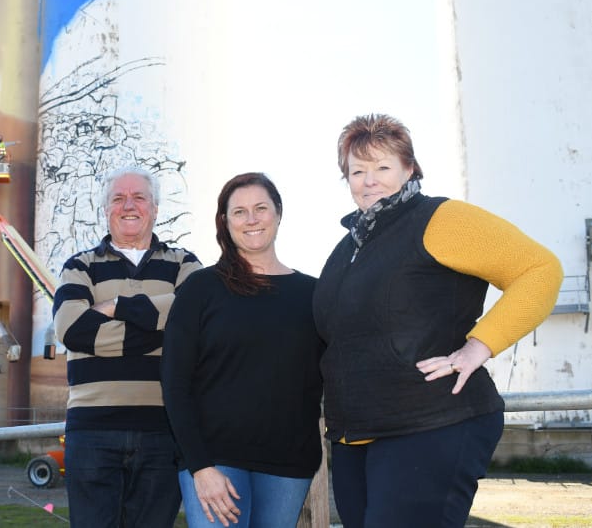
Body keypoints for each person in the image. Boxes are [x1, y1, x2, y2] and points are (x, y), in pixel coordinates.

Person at [313, 113, 563, 527]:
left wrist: (477, 348)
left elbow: (540, 270)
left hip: (432, 422)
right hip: (356, 436)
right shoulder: (348, 247)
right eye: (357, 171)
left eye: (382, 167)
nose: (369, 180)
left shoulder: (440, 219)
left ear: (409, 168)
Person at [161, 172, 325, 528]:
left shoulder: (313, 294)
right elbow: (175, 384)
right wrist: (200, 467)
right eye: (239, 212)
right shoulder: (201, 289)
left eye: (261, 208)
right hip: (215, 460)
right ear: (225, 221)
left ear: (278, 213)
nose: (251, 219)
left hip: (288, 464)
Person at [52, 165, 202, 527]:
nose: (128, 205)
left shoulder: (185, 263)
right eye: (118, 198)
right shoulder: (80, 267)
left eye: (139, 197)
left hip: (163, 429)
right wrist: (165, 329)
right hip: (92, 431)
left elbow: (198, 320)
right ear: (106, 210)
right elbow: (72, 330)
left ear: (155, 207)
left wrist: (117, 306)